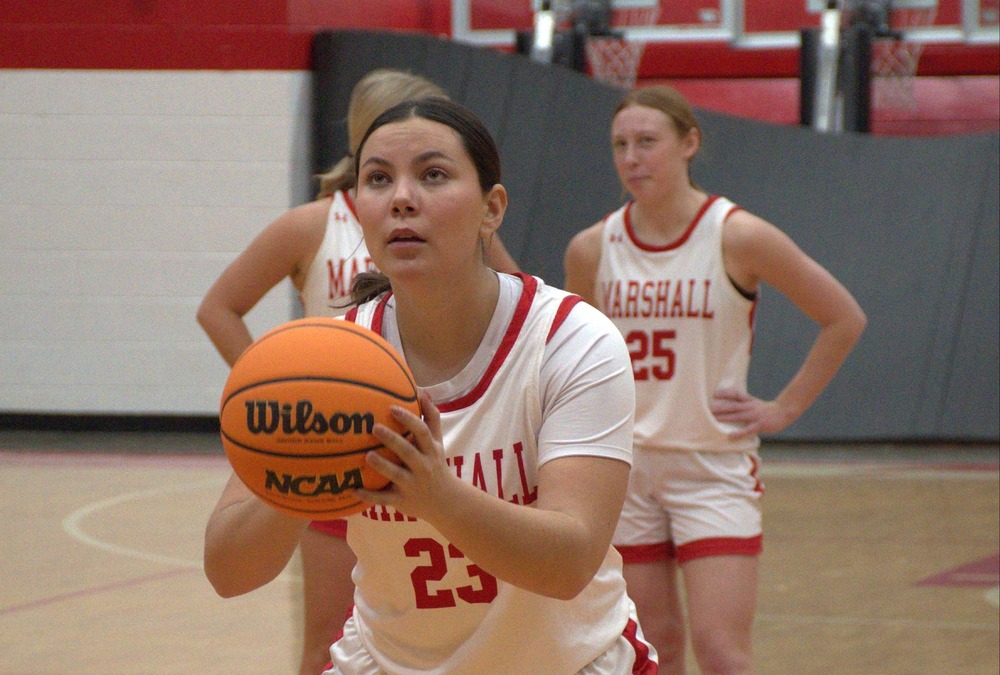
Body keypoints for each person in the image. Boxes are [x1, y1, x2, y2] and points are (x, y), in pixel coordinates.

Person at [204, 97, 658, 673]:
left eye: (433, 175)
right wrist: (295, 479)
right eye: (377, 179)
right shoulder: (325, 360)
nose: (400, 197)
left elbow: (568, 564)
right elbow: (227, 571)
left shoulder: (571, 340)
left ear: (491, 209)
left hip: (570, 661)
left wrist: (437, 496)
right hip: (388, 661)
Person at [196, 70, 521, 675]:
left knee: (477, 615)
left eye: (433, 166)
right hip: (329, 435)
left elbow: (512, 291)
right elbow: (217, 308)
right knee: (326, 638)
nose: (406, 193)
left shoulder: (461, 225)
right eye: (385, 166)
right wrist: (275, 395)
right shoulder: (314, 223)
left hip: (437, 432)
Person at [563, 85, 867, 674]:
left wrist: (783, 408)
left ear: (689, 144)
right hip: (626, 468)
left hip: (713, 465)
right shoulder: (591, 248)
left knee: (723, 652)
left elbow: (843, 317)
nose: (632, 158)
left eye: (647, 142)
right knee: (653, 650)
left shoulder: (737, 234)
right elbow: (574, 361)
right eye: (620, 145)